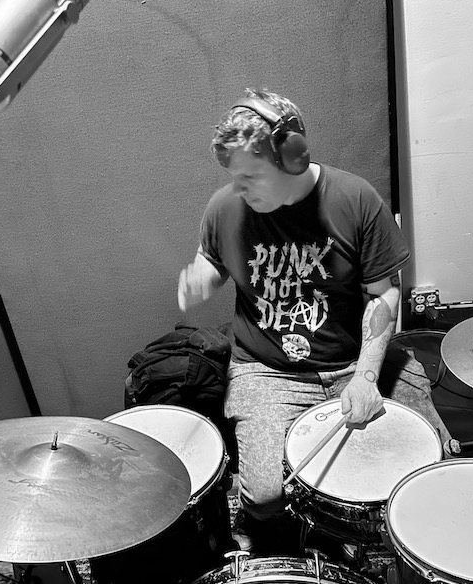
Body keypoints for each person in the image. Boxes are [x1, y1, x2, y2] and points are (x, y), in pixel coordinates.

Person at [177, 89, 451, 556]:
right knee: (265, 497)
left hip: (354, 359)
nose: (239, 188)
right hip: (266, 370)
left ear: (294, 157)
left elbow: (384, 294)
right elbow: (211, 259)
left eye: (251, 176)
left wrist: (367, 377)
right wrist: (202, 276)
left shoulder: (355, 199)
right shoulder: (226, 206)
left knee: (429, 469)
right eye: (234, 177)